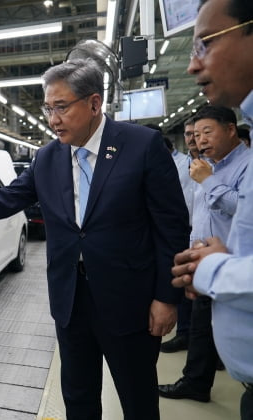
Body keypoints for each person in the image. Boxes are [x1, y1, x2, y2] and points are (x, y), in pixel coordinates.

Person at [0, 59, 189, 420]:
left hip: (129, 301)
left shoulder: (141, 145)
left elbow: (172, 227)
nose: (52, 119)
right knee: (78, 396)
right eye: (48, 108)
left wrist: (167, 298)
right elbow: (10, 197)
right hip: (71, 300)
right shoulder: (47, 157)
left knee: (137, 398)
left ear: (93, 103)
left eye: (61, 107)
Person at [171, 0, 253, 418]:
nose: (192, 65)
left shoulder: (228, 169)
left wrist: (213, 268)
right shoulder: (210, 166)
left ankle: (197, 379)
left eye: (205, 43)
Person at [160, 105, 249, 402]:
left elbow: (241, 207)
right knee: (201, 328)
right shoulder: (204, 165)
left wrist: (209, 181)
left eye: (207, 132)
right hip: (203, 264)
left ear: (230, 129)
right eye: (196, 135)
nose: (200, 140)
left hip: (233, 266)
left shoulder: (246, 165)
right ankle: (196, 382)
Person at [162, 118, 201, 353]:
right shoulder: (187, 164)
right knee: (187, 286)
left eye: (197, 133)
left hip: (204, 237)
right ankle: (186, 334)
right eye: (188, 134)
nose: (193, 139)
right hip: (187, 231)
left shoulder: (204, 166)